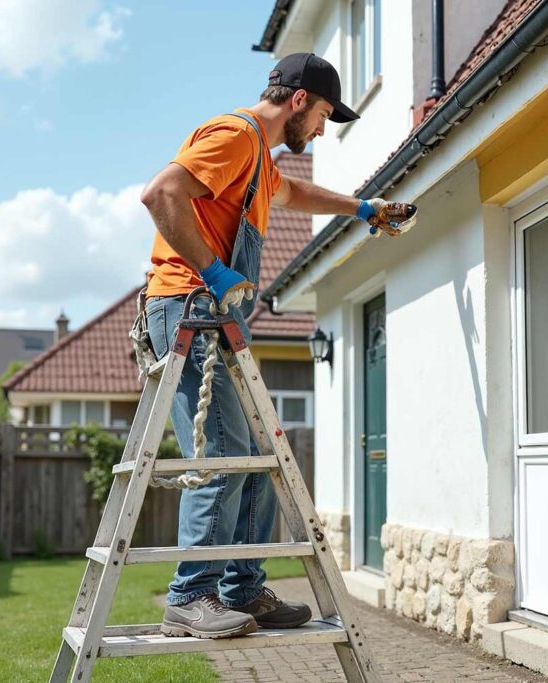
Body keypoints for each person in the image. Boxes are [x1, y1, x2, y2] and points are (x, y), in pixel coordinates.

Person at [140, 52, 415, 640]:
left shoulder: (258, 161)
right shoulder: (236, 136)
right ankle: (190, 597)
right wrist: (214, 272)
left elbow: (292, 194)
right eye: (320, 116)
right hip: (186, 307)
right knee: (224, 451)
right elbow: (162, 193)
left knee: (259, 451)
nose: (321, 129)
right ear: (297, 101)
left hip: (213, 317)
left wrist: (363, 209)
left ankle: (241, 588)